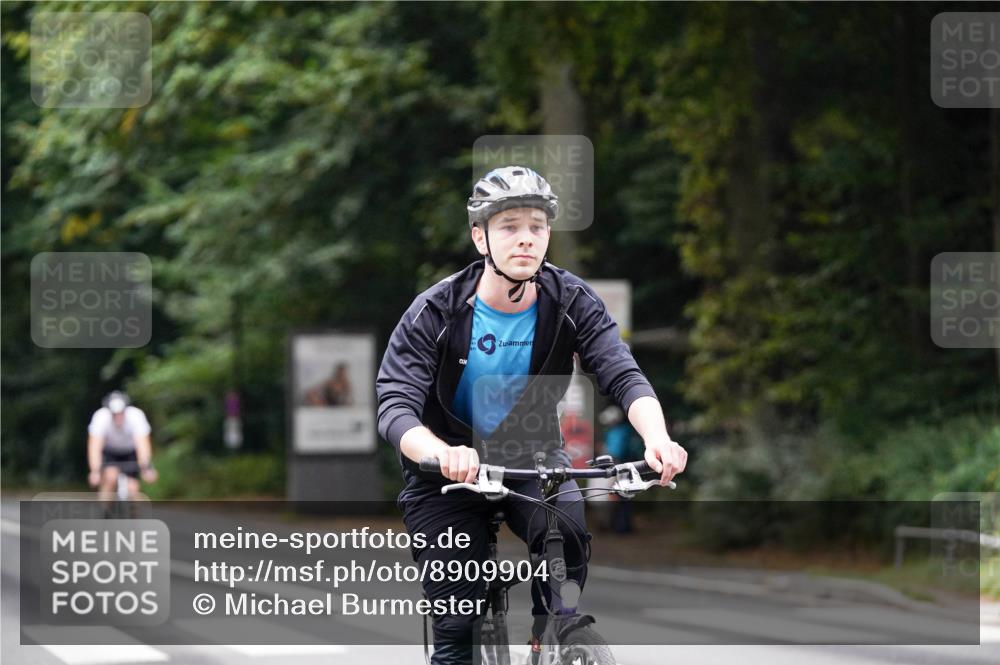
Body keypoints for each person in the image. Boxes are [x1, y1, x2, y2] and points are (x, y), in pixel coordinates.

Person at [376, 165, 687, 665]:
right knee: (456, 628)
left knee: (568, 534)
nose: (526, 238)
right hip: (446, 474)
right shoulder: (436, 311)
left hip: (533, 460)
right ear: (480, 237)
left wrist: (657, 439)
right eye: (509, 226)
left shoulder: (571, 300)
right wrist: (441, 453)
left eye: (537, 227)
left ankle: (553, 636)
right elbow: (395, 406)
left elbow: (622, 373)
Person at [87, 391, 157, 500]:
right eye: (115, 414)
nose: (118, 417)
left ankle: (134, 510)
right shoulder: (100, 417)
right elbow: (95, 447)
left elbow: (143, 445)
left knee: (133, 488)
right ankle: (103, 509)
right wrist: (95, 471)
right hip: (110, 452)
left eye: (121, 413)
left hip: (130, 452)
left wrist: (146, 468)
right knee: (110, 479)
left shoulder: (136, 416)